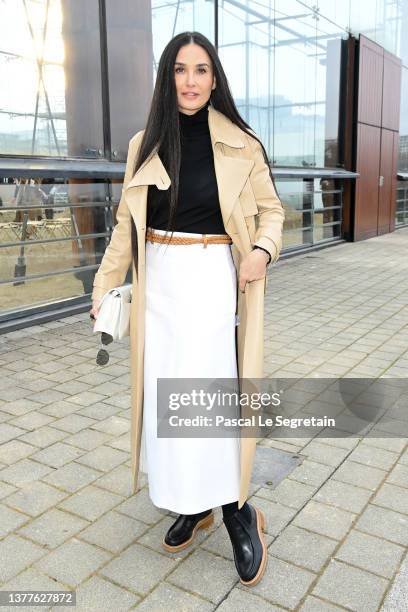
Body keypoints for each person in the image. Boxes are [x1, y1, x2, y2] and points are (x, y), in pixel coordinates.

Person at [90, 31, 285, 587]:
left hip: (213, 279)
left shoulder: (244, 144)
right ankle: (193, 503)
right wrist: (103, 287)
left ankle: (238, 512)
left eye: (201, 70)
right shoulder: (143, 144)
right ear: (167, 77)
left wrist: (263, 253)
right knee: (168, 401)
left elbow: (272, 212)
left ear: (215, 78)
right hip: (160, 284)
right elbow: (125, 230)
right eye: (180, 70)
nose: (191, 81)